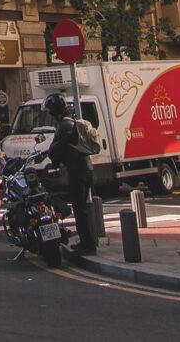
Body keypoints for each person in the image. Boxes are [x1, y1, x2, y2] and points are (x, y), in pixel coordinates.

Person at [44, 95, 103, 255]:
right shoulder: (72, 122)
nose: (49, 114)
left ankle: (87, 244)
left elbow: (54, 150)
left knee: (79, 208)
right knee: (82, 207)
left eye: (50, 110)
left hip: (77, 171)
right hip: (86, 168)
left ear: (55, 110)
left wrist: (54, 162)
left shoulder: (63, 126)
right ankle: (89, 241)